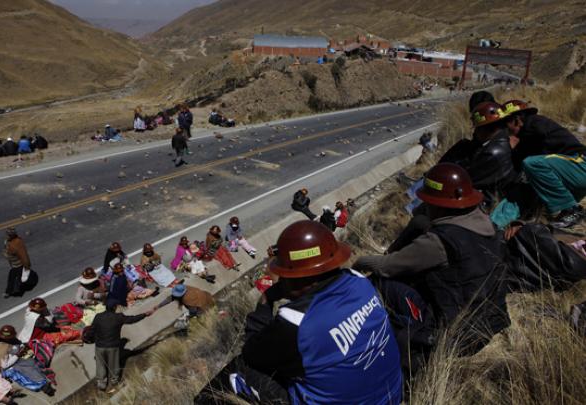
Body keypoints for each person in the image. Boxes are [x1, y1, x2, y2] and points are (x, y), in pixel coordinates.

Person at [223, 220, 402, 404]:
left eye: (285, 274)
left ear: (298, 278)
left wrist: (265, 302)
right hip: (392, 395)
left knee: (239, 370)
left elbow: (252, 352)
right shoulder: (359, 281)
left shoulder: (296, 322)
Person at [353, 163, 510, 360]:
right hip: (488, 324)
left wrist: (360, 262)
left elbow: (387, 267)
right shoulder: (486, 225)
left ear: (437, 204)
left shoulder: (440, 242)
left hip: (455, 337)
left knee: (382, 283)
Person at [503, 99, 586, 228]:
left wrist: (515, 145)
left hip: (580, 165)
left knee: (532, 164)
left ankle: (571, 210)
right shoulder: (531, 135)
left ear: (516, 120)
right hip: (571, 173)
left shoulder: (534, 123)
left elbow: (538, 135)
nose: (505, 129)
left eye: (505, 124)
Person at [91, 299, 154, 391]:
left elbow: (92, 329)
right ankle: (114, 380)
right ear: (114, 307)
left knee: (100, 364)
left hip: (99, 346)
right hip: (112, 346)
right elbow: (132, 319)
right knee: (114, 364)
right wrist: (144, 315)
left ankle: (102, 383)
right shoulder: (118, 317)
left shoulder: (98, 317)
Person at [0, 325, 55, 396]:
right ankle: (43, 385)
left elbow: (19, 345)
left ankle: (43, 378)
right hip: (12, 366)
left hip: (19, 358)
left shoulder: (11, 341)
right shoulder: (1, 349)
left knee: (35, 358)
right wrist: (17, 355)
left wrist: (23, 347)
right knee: (29, 368)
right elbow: (4, 365)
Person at [3, 227, 32, 298]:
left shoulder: (18, 243)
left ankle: (10, 292)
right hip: (13, 264)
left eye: (8, 234)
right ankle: (13, 290)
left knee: (13, 277)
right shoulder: (7, 241)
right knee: (15, 277)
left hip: (19, 265)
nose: (7, 235)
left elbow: (24, 256)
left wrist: (27, 266)